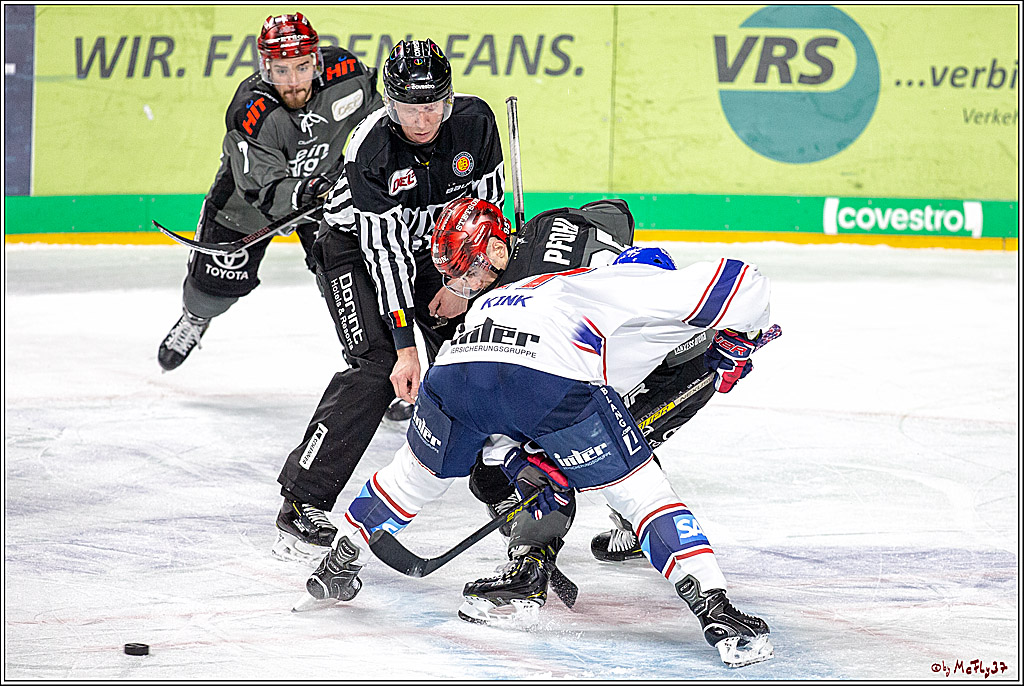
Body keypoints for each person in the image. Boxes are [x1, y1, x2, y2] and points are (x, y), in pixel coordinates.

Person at [295, 249, 777, 668]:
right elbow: (744, 281)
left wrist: (522, 463)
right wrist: (744, 334)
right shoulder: (638, 282)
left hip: (456, 373)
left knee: (412, 479)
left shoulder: (536, 285)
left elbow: (501, 399)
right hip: (547, 379)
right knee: (641, 494)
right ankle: (715, 610)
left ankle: (338, 564)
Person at [427, 197, 767, 622]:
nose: (465, 284)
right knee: (560, 453)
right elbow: (616, 212)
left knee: (561, 456)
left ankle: (529, 570)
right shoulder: (545, 233)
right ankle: (595, 538)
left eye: (468, 271)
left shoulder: (531, 292)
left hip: (674, 367)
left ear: (494, 250)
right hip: (626, 357)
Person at [272, 39, 505, 562]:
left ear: (448, 100)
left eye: (432, 106)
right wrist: (405, 347)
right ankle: (303, 499)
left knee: (484, 347)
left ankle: (495, 476)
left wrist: (464, 285)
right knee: (377, 365)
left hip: (439, 248)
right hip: (354, 247)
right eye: (406, 107)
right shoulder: (370, 148)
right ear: (387, 103)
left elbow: (487, 213)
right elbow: (387, 255)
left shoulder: (477, 123)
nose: (421, 120)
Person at [157, 13, 382, 372]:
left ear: (317, 61)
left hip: (325, 200)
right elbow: (263, 188)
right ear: (266, 69)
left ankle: (377, 373)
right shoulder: (251, 110)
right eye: (281, 71)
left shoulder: (349, 76)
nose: (293, 82)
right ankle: (195, 318)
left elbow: (379, 121)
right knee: (211, 292)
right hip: (246, 207)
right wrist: (310, 189)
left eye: (302, 67)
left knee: (351, 286)